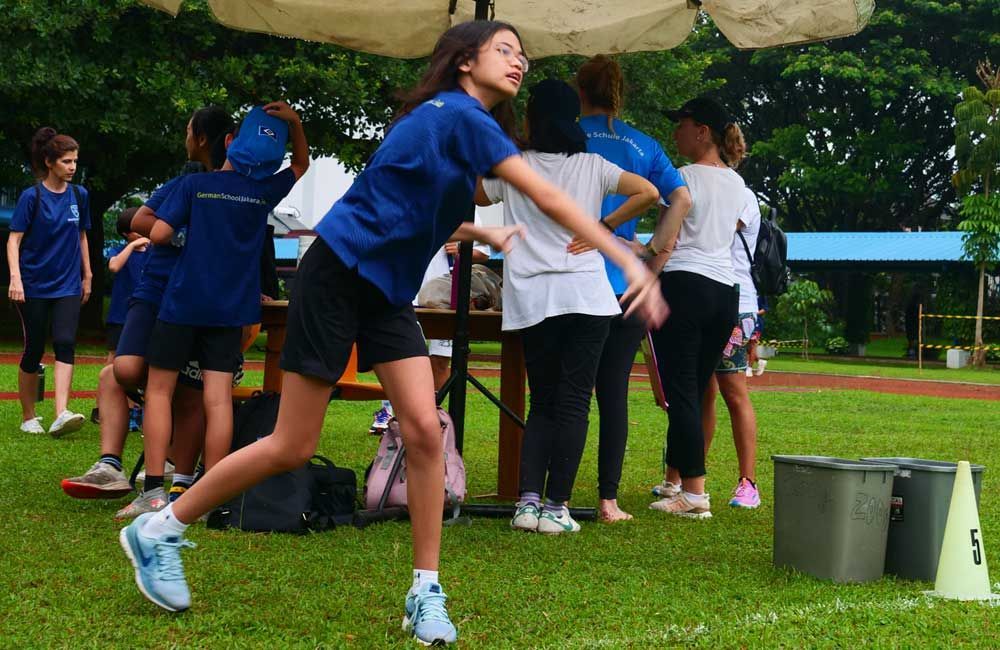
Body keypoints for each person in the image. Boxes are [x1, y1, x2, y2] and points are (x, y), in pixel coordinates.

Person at [117, 21, 667, 647]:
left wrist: (477, 233)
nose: (520, 62)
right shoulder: (462, 116)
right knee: (293, 445)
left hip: (384, 292)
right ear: (465, 61)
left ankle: (425, 589)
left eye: (523, 53)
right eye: (506, 50)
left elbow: (401, 206)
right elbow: (543, 194)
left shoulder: (450, 123)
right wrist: (623, 257)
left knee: (425, 431)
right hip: (337, 277)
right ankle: (161, 528)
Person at [479, 78, 659, 534]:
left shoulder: (513, 167)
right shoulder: (593, 165)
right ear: (572, 119)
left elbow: (475, 194)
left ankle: (527, 504)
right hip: (586, 295)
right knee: (575, 403)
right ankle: (557, 508)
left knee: (543, 401)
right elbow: (650, 192)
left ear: (533, 118)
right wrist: (603, 226)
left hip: (534, 297)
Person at [133, 102, 306, 524]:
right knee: (217, 400)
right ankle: (210, 494)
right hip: (231, 310)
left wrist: (170, 230)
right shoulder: (264, 192)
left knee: (158, 391)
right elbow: (301, 163)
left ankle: (154, 490)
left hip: (182, 303)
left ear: (231, 142)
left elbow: (157, 233)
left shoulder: (196, 187)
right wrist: (295, 123)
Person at [62, 108, 234, 502]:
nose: (185, 136)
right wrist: (168, 231)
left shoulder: (234, 193)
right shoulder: (182, 184)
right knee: (119, 372)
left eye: (189, 130)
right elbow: (141, 220)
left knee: (189, 392)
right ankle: (111, 465)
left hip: (198, 303)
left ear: (203, 139)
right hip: (159, 292)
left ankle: (179, 479)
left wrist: (167, 232)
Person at [573, 54, 692, 522]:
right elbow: (681, 197)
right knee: (613, 395)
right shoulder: (643, 145)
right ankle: (608, 500)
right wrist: (653, 254)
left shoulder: (564, 138)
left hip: (571, 276)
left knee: (565, 395)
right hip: (625, 282)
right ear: (617, 93)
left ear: (580, 91)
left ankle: (545, 493)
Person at [646, 96, 747, 519]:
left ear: (702, 131)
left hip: (685, 286)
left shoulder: (681, 177)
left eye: (682, 124)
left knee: (682, 394)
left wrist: (645, 271)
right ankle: (686, 486)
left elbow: (667, 240)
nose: (676, 132)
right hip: (725, 293)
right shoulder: (738, 184)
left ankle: (694, 493)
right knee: (694, 389)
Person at [7, 127, 91, 437]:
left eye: (75, 161)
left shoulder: (79, 195)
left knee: (66, 342)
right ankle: (28, 416)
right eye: (67, 161)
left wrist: (89, 275)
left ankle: (61, 413)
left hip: (68, 284)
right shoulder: (33, 196)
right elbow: (14, 240)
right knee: (33, 349)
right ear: (49, 161)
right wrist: (16, 279)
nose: (72, 167)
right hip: (33, 285)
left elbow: (82, 236)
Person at [697, 187, 763, 509]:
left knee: (734, 392)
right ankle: (689, 477)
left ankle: (748, 484)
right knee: (701, 393)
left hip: (736, 303)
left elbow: (717, 231)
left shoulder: (741, 195)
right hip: (706, 298)